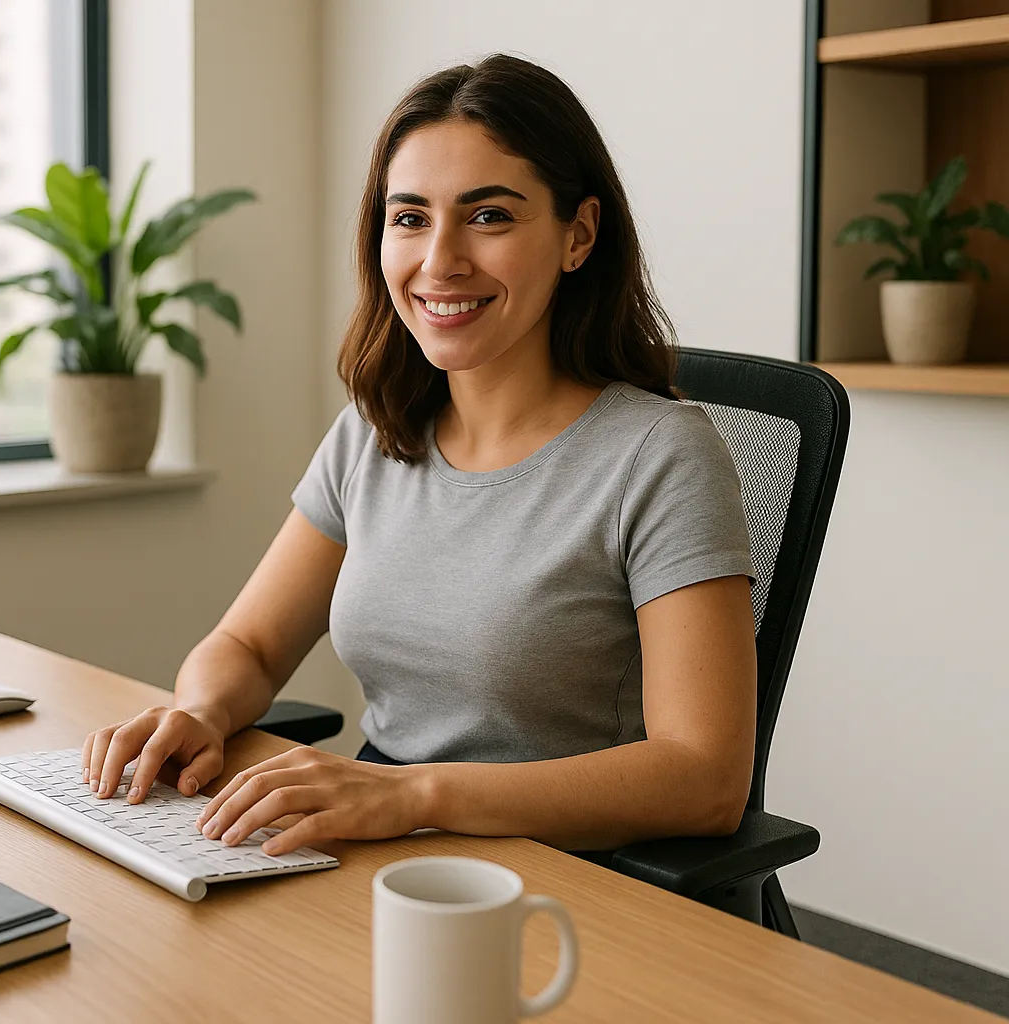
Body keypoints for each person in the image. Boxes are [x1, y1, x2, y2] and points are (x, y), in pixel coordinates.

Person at [81, 53, 756, 857]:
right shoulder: (376, 431)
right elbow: (251, 647)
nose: (439, 261)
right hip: (389, 847)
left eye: (489, 216)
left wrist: (414, 793)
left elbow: (706, 777)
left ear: (577, 235)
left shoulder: (660, 456)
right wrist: (201, 710)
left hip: (566, 879)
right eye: (409, 218)